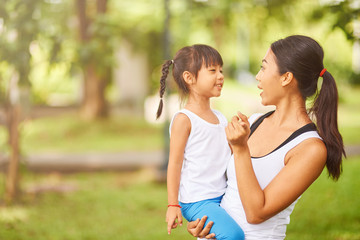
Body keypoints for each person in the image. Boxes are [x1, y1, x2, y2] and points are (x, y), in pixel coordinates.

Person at [187, 35, 346, 240]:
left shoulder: (310, 148)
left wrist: (241, 148)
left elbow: (256, 212)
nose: (257, 76)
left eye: (263, 67)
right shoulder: (253, 122)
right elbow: (224, 187)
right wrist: (203, 217)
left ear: (286, 77)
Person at [156, 44, 245, 240]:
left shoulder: (221, 117)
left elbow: (229, 155)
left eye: (221, 70)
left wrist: (240, 137)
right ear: (190, 78)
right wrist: (173, 205)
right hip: (197, 200)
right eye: (212, 70)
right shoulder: (184, 119)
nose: (220, 75)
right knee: (233, 235)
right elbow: (175, 164)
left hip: (223, 194)